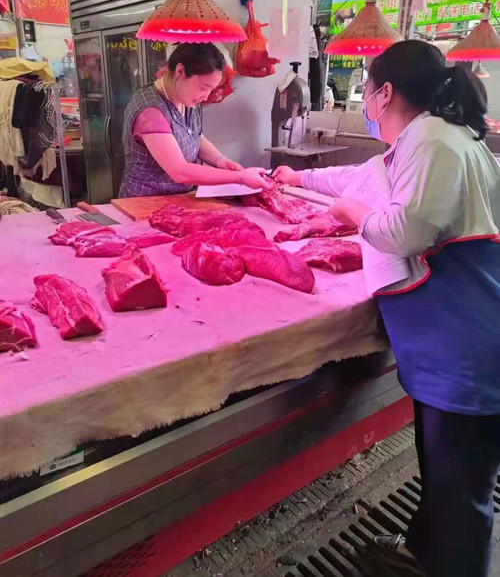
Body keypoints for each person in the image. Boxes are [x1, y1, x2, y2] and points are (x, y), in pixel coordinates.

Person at [273, 40, 500, 577]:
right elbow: (365, 178)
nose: (367, 102)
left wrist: (354, 216)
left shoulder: (434, 139)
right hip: (451, 342)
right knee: (441, 471)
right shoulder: (435, 138)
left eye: (368, 90)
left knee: (462, 488)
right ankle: (423, 552)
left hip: (465, 347)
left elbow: (404, 231)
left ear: (385, 92)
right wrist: (300, 179)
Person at [119, 43, 272, 197]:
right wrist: (240, 177)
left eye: (211, 89)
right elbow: (179, 171)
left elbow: (195, 137)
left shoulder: (186, 99)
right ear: (180, 72)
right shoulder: (151, 112)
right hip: (146, 200)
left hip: (179, 197)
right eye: (204, 88)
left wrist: (221, 161)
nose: (206, 96)